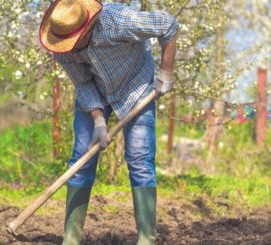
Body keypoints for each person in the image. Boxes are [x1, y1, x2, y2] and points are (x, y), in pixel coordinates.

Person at [39, 0, 179, 244]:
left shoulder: (119, 21)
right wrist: (98, 121)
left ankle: (147, 238)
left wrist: (166, 72)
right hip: (95, 92)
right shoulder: (60, 42)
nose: (69, 47)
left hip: (136, 88)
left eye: (74, 42)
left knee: (140, 159)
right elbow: (82, 83)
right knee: (81, 158)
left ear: (88, 27)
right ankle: (71, 238)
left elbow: (168, 24)